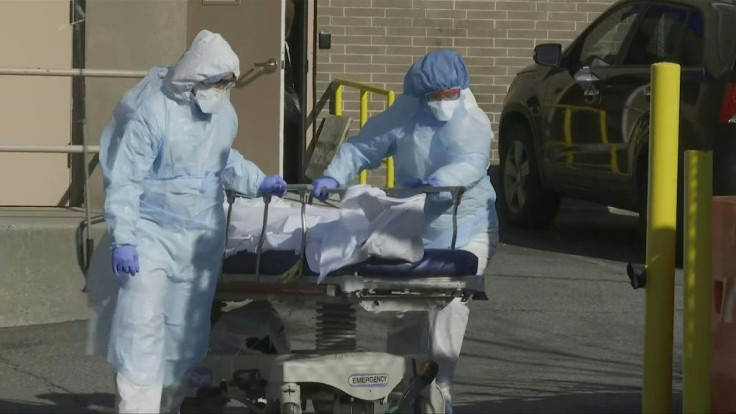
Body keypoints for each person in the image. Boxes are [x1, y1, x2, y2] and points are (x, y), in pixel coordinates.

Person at [98, 30, 287, 413]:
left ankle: (167, 407)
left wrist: (257, 180)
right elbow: (126, 178)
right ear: (195, 77)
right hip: (152, 235)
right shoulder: (153, 112)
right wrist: (125, 238)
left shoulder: (223, 115)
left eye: (226, 84)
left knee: (184, 336)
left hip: (200, 240)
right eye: (216, 82)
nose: (221, 90)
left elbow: (224, 160)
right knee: (142, 329)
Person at [311, 49, 499, 412]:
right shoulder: (407, 112)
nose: (444, 102)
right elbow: (363, 148)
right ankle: (399, 393)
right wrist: (334, 175)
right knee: (405, 314)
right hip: (417, 225)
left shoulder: (470, 118)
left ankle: (438, 396)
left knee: (447, 310)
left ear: (459, 89)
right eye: (436, 96)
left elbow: (472, 163)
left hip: (468, 225)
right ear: (421, 94)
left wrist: (440, 182)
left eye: (449, 95)